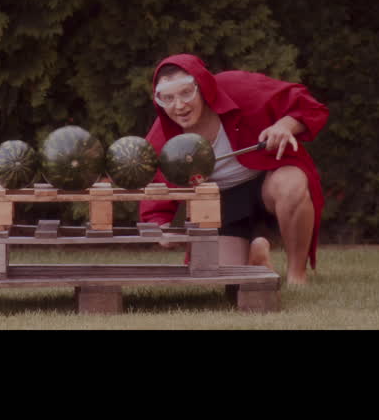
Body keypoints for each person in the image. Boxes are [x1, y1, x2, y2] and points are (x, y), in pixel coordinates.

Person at [139, 53, 328, 285]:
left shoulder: (239, 88)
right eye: (167, 98)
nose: (179, 106)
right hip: (223, 203)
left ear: (203, 86)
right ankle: (255, 258)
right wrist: (161, 226)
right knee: (226, 277)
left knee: (292, 183)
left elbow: (309, 107)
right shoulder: (164, 134)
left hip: (267, 183)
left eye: (186, 93)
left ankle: (296, 275)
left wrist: (284, 126)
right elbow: (156, 184)